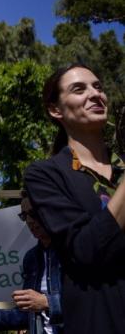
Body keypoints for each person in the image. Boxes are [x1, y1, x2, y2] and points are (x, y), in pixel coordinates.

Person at [24, 64, 125, 333]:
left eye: (98, 87)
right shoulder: (45, 174)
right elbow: (87, 249)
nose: (95, 94)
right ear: (55, 110)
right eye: (79, 89)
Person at [0, 191, 63, 333]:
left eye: (33, 213)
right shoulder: (31, 258)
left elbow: (90, 302)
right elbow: (26, 315)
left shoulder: (74, 249)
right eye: (24, 216)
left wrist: (47, 302)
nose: (29, 221)